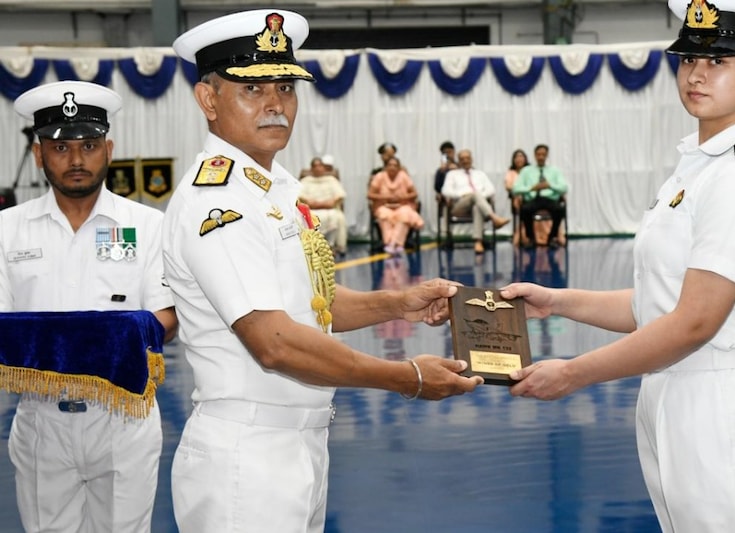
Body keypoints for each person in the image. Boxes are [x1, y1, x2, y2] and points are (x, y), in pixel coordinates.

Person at [166, 10, 481, 533]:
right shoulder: (217, 201)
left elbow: (310, 305)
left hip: (302, 442)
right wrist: (407, 378)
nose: (275, 104)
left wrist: (398, 302)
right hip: (248, 455)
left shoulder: (278, 188)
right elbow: (276, 344)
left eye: (285, 87)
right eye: (253, 89)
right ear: (208, 100)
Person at [502, 0, 735, 531]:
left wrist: (572, 374)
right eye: (688, 60)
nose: (696, 73)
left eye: (718, 62)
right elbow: (659, 304)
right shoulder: (696, 169)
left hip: (718, 402)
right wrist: (557, 302)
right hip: (670, 394)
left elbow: (694, 323)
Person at [0, 81, 177, 532]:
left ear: (109, 150)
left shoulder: (149, 225)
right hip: (42, 422)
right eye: (60, 147)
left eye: (89, 145)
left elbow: (167, 314)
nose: (76, 159)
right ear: (39, 155)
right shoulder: (7, 230)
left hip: (124, 420)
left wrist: (106, 343)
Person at [440, 148, 510, 254]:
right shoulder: (452, 174)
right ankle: (494, 218)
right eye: (462, 159)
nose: (465, 161)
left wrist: (478, 197)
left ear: (472, 159)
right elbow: (445, 191)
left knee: (477, 205)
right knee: (475, 196)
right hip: (459, 206)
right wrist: (462, 195)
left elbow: (491, 189)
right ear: (459, 161)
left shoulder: (480, 174)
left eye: (467, 158)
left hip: (478, 205)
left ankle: (478, 242)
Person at [510, 144, 568, 248]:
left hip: (549, 198)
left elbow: (564, 187)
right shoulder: (526, 171)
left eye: (543, 155)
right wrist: (531, 188)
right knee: (525, 210)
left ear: (547, 156)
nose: (541, 157)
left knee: (559, 210)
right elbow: (515, 189)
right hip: (533, 199)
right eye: (538, 154)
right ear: (535, 155)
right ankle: (531, 239)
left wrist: (550, 185)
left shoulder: (554, 170)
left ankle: (552, 238)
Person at [368, 156, 425, 255]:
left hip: (402, 205)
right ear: (385, 167)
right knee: (384, 216)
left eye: (395, 165)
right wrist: (385, 197)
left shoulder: (404, 176)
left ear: (399, 168)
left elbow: (415, 194)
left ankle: (395, 244)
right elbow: (370, 195)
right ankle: (390, 243)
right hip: (384, 206)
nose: (392, 167)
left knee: (404, 215)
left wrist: (402, 197)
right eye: (390, 165)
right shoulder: (379, 177)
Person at [299, 154, 348, 256]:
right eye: (315, 166)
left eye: (320, 166)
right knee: (306, 218)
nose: (317, 168)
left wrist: (328, 203)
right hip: (311, 209)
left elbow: (340, 195)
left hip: (330, 208)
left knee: (338, 217)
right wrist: (311, 203)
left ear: (323, 168)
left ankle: (331, 245)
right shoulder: (305, 181)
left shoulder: (331, 180)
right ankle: (314, 247)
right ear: (311, 168)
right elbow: (300, 196)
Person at [504, 148, 530, 246]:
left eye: (521, 157)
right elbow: (508, 186)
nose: (519, 159)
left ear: (525, 159)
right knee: (520, 200)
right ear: (513, 160)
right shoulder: (510, 172)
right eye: (517, 157)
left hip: (531, 197)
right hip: (518, 198)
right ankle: (523, 235)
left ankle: (521, 234)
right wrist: (522, 189)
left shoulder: (530, 171)